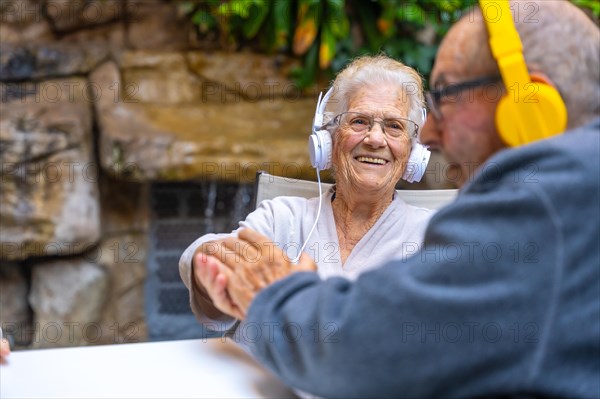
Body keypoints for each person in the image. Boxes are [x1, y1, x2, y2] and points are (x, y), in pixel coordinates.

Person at [198, 0, 600, 397]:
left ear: (530, 106)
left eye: (444, 98)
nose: (428, 136)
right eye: (359, 122)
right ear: (328, 137)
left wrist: (273, 296)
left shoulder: (536, 207)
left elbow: (364, 356)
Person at [179, 55, 434, 332]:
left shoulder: (434, 237)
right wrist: (211, 265)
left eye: (394, 126)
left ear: (413, 152)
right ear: (328, 140)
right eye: (359, 121)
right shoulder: (282, 216)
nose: (374, 139)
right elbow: (213, 280)